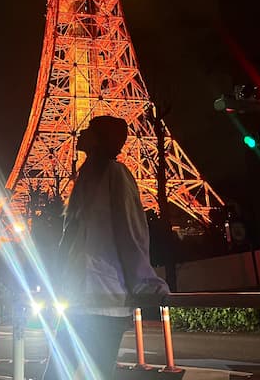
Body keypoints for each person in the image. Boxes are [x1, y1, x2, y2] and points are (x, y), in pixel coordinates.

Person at [43, 115, 170, 380]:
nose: (81, 133)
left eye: (89, 129)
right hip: (79, 300)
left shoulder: (115, 174)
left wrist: (145, 283)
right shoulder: (85, 177)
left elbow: (131, 231)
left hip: (105, 301)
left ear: (101, 140)